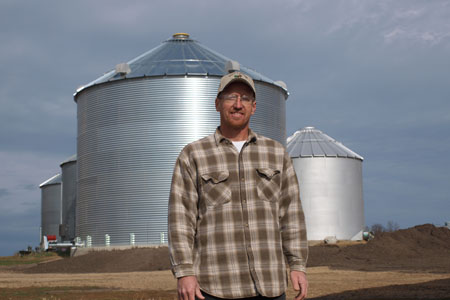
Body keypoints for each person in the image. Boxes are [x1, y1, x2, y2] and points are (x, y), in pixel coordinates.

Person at [168, 71, 308, 300]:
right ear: (217, 104)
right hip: (215, 287)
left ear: (253, 107)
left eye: (245, 99)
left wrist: (298, 264)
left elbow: (291, 214)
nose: (238, 104)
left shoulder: (275, 153)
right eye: (231, 97)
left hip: (269, 285)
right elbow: (181, 219)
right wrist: (184, 272)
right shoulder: (193, 154)